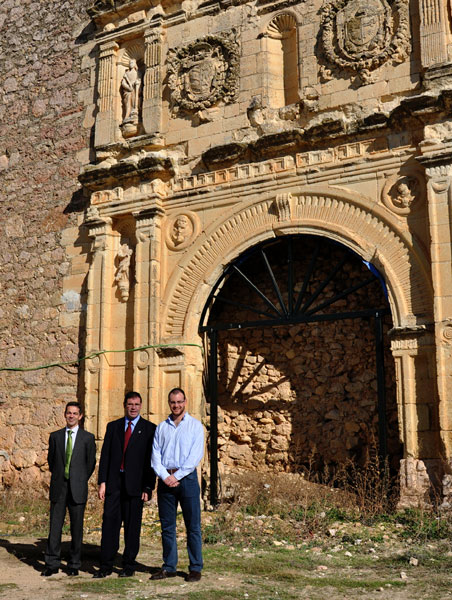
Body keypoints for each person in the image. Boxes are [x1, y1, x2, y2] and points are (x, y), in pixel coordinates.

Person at [94, 391, 156, 578]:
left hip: (136, 486)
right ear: (124, 405)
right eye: (130, 404)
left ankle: (128, 565)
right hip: (114, 484)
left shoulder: (149, 429)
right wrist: (102, 481)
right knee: (109, 525)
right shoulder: (113, 427)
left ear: (141, 406)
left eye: (137, 404)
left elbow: (150, 461)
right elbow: (105, 456)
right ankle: (105, 566)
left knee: (132, 527)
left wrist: (148, 487)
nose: (133, 407)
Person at [151, 387, 204, 582]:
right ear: (169, 403)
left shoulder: (195, 426)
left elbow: (195, 456)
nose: (176, 405)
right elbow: (155, 456)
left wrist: (178, 476)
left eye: (180, 402)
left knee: (193, 526)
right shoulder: (161, 427)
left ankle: (195, 568)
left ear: (185, 402)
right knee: (167, 527)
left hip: (187, 479)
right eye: (173, 402)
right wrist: (165, 476)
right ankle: (169, 567)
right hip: (165, 480)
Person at [42, 401, 96, 577]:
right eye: (68, 413)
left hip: (78, 487)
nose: (71, 416)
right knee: (55, 526)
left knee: (76, 528)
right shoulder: (55, 436)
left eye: (74, 413)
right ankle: (51, 563)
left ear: (80, 416)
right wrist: (61, 477)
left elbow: (90, 464)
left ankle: (74, 564)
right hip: (59, 486)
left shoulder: (87, 438)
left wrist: (79, 479)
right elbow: (52, 461)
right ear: (65, 415)